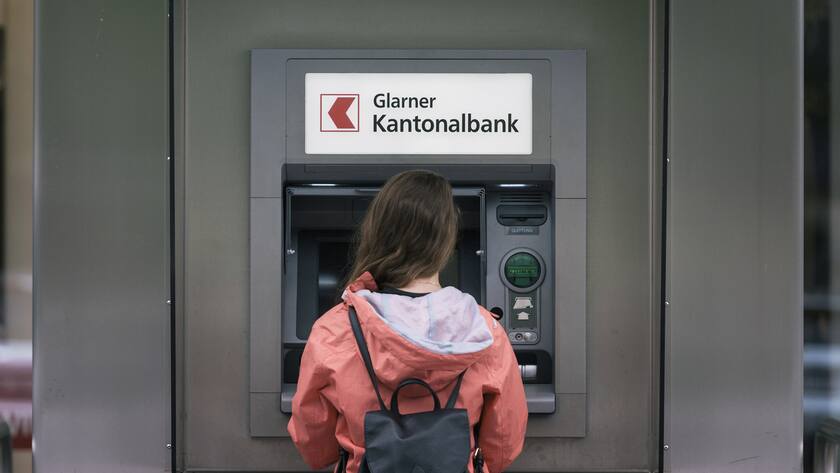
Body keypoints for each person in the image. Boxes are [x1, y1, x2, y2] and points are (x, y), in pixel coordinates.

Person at [288, 170, 527, 473]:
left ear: (378, 235)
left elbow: (313, 444)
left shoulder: (336, 328)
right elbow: (504, 442)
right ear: (445, 242)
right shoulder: (485, 330)